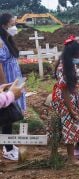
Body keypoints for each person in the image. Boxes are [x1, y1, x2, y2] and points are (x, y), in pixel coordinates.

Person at [51, 35, 79, 163]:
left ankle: (61, 155)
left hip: (71, 98)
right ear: (73, 54)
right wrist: (71, 109)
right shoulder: (64, 67)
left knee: (67, 127)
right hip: (66, 101)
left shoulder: (68, 63)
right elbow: (65, 89)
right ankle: (71, 158)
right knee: (68, 127)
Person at [0, 13, 26, 161]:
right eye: (12, 24)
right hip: (7, 81)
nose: (14, 27)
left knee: (11, 113)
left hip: (14, 77)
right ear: (4, 25)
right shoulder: (0, 42)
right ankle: (7, 148)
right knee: (7, 115)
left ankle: (9, 143)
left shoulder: (7, 39)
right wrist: (4, 87)